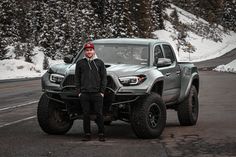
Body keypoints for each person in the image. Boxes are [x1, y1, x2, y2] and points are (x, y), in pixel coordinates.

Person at [75, 42, 107, 142]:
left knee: (99, 114)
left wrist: (102, 91)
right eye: (87, 50)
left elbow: (104, 78)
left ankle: (101, 134)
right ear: (84, 52)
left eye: (91, 50)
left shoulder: (99, 63)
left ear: (94, 51)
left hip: (97, 93)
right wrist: (79, 91)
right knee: (86, 114)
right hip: (84, 93)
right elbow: (77, 78)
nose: (89, 52)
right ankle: (87, 134)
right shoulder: (80, 63)